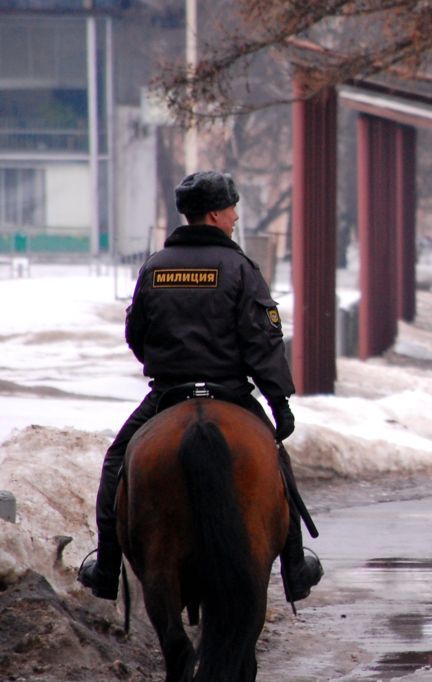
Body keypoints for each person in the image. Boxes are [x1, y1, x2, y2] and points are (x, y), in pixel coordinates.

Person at [77, 171, 324, 603]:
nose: (235, 215)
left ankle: (107, 567)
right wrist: (278, 401)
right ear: (214, 213)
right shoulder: (241, 268)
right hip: (230, 392)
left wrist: (167, 364)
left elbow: (136, 333)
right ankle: (295, 568)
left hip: (168, 394)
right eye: (231, 207)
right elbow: (262, 342)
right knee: (276, 465)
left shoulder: (154, 267)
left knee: (117, 462)